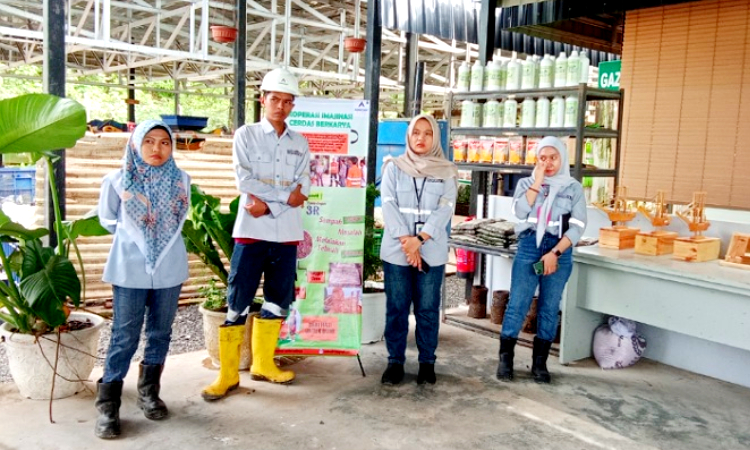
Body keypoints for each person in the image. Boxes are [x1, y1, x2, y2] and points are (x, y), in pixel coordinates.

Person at [201, 67, 310, 401]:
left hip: (286, 235)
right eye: (275, 99)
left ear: (293, 105)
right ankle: (228, 375)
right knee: (237, 301)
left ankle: (264, 364)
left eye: (287, 101)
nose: (281, 106)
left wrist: (270, 205)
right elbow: (244, 181)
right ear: (263, 99)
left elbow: (301, 188)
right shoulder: (245, 136)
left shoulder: (301, 143)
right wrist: (281, 200)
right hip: (251, 233)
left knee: (278, 299)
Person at [95, 120, 191, 439]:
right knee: (124, 334)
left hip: (169, 268)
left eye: (164, 142)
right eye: (148, 141)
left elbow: (178, 219)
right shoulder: (117, 179)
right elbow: (108, 219)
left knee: (161, 332)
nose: (156, 149)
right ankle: (108, 405)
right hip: (130, 267)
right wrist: (139, 235)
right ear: (135, 143)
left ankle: (149, 392)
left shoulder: (182, 181)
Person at [496, 136, 587, 384]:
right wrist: (537, 183)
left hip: (559, 250)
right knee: (518, 303)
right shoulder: (526, 183)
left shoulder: (573, 188)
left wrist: (555, 253)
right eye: (542, 158)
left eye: (553, 157)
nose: (548, 163)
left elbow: (578, 227)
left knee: (549, 306)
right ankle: (505, 359)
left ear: (562, 158)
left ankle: (540, 363)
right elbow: (519, 213)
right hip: (529, 247)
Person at [379, 114, 457, 385]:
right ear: (408, 136)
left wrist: (419, 240)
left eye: (427, 133)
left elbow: (445, 209)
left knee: (427, 309)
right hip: (397, 251)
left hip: (430, 251)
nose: (421, 138)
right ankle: (394, 362)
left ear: (435, 138)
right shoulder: (393, 167)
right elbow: (388, 205)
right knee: (397, 308)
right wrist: (407, 242)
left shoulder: (447, 171)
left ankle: (427, 362)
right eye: (416, 133)